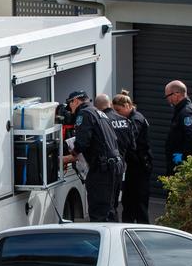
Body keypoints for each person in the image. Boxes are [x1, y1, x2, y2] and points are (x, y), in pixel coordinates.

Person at [62, 90, 121, 222]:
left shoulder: (84, 113)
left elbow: (82, 143)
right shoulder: (99, 112)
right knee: (109, 210)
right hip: (114, 165)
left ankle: (103, 242)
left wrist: (69, 156)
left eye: (70, 105)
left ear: (76, 101)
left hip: (102, 168)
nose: (70, 111)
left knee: (98, 212)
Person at [113, 90, 153, 224]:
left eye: (118, 110)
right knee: (128, 202)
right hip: (133, 165)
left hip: (140, 165)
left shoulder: (136, 120)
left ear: (127, 106)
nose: (116, 114)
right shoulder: (129, 119)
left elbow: (130, 140)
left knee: (139, 203)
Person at [96, 93, 133, 208]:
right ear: (110, 105)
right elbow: (132, 146)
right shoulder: (126, 121)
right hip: (120, 165)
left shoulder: (101, 122)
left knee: (105, 204)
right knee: (114, 202)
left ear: (97, 107)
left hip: (105, 168)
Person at [163, 80, 192, 177]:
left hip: (180, 164)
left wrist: (182, 159)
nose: (167, 99)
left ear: (176, 94)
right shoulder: (186, 109)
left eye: (168, 96)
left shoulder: (186, 113)